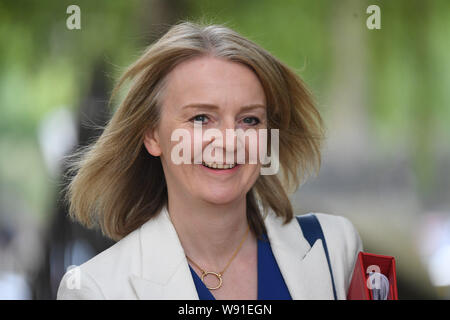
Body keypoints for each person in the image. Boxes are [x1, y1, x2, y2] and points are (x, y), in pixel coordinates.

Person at [57, 21, 362, 300]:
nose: (229, 140)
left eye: (250, 120)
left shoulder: (335, 251)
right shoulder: (97, 289)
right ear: (152, 135)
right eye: (201, 117)